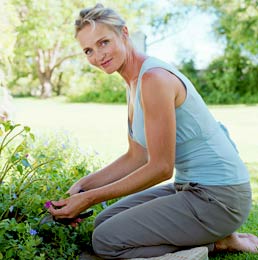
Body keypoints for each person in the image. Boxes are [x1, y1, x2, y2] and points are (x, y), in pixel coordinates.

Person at [49, 3, 258, 259]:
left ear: (124, 33)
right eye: (88, 50)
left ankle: (218, 243)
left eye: (104, 42)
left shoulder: (153, 79)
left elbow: (161, 168)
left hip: (219, 197)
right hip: (190, 188)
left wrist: (90, 199)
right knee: (103, 222)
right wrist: (82, 187)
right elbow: (136, 157)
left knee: (106, 241)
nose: (97, 56)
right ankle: (213, 235)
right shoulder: (133, 83)